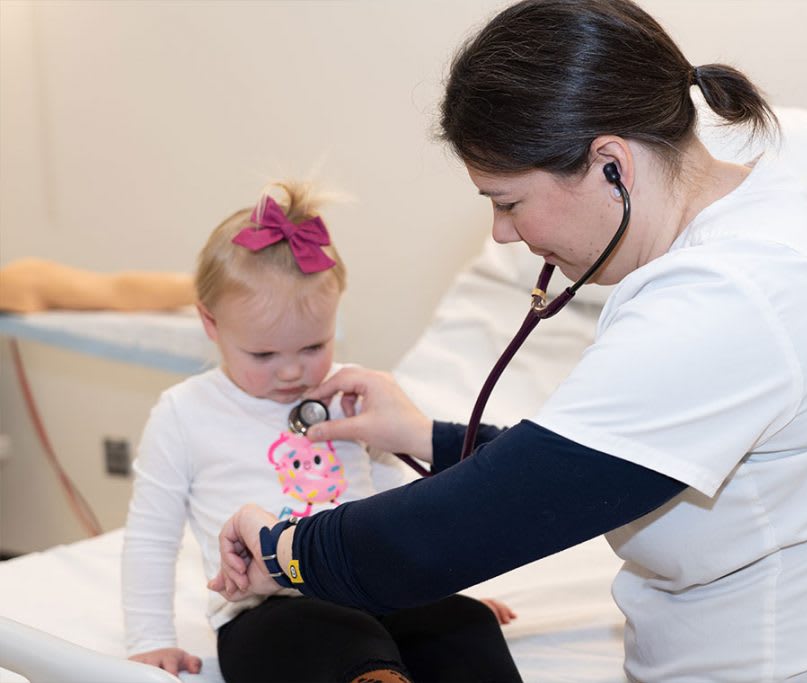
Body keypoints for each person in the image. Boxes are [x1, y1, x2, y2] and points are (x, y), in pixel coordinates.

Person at [210, 2, 807, 681]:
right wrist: (421, 434)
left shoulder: (727, 302)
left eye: (507, 200)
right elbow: (601, 463)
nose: (498, 235)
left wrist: (283, 546)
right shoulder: (765, 235)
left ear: (611, 166)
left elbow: (468, 527)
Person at [122, 181, 521, 683]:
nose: (292, 372)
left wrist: (431, 588)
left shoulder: (350, 395)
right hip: (266, 610)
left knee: (463, 622)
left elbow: (397, 500)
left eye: (313, 346)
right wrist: (150, 641)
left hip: (372, 588)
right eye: (264, 355)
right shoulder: (185, 412)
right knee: (330, 630)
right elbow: (150, 538)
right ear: (210, 323)